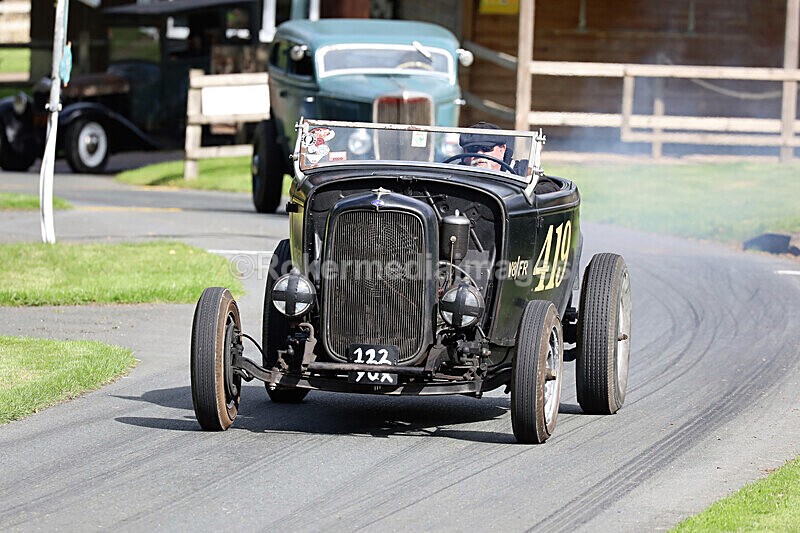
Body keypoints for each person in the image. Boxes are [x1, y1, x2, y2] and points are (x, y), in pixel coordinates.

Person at [458, 121, 561, 193]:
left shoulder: (521, 171)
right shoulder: (455, 174)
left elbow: (552, 189)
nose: (479, 153)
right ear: (464, 152)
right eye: (472, 149)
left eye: (486, 148)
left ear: (502, 149)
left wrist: (518, 193)